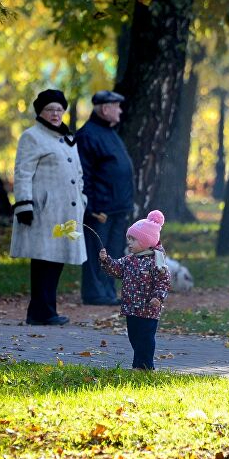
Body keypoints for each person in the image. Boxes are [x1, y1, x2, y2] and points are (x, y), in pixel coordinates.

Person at [10, 89, 87, 326]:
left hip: (66, 211)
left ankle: (46, 310)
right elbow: (22, 172)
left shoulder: (66, 138)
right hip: (44, 211)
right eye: (49, 110)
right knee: (43, 259)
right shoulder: (32, 136)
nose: (55, 114)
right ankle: (40, 312)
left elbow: (78, 173)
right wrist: (24, 205)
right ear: (40, 112)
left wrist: (82, 199)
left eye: (59, 109)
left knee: (57, 259)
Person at [76, 90, 135, 306]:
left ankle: (108, 292)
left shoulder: (109, 132)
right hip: (100, 207)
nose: (120, 110)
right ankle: (95, 293)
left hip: (117, 207)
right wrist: (90, 206)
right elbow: (84, 173)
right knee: (98, 251)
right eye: (116, 106)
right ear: (105, 108)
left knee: (114, 251)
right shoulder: (88, 134)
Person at [99, 210, 171, 370]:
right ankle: (140, 364)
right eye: (129, 239)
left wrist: (158, 298)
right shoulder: (129, 260)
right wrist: (106, 260)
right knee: (135, 338)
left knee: (145, 338)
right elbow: (117, 269)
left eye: (133, 240)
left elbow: (163, 282)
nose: (129, 243)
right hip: (131, 308)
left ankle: (145, 367)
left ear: (146, 241)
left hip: (148, 309)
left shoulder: (156, 262)